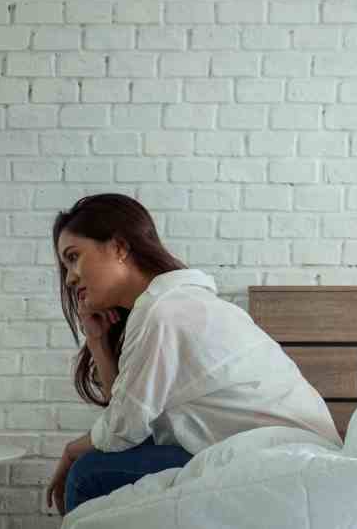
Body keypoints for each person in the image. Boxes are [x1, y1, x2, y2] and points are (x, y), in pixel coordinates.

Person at [46, 194, 341, 515]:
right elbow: (126, 414)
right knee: (98, 463)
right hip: (271, 447)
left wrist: (72, 450)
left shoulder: (165, 312)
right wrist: (98, 343)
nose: (71, 277)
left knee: (87, 474)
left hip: (281, 456)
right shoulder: (170, 304)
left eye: (74, 257)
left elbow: (121, 430)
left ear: (119, 248)